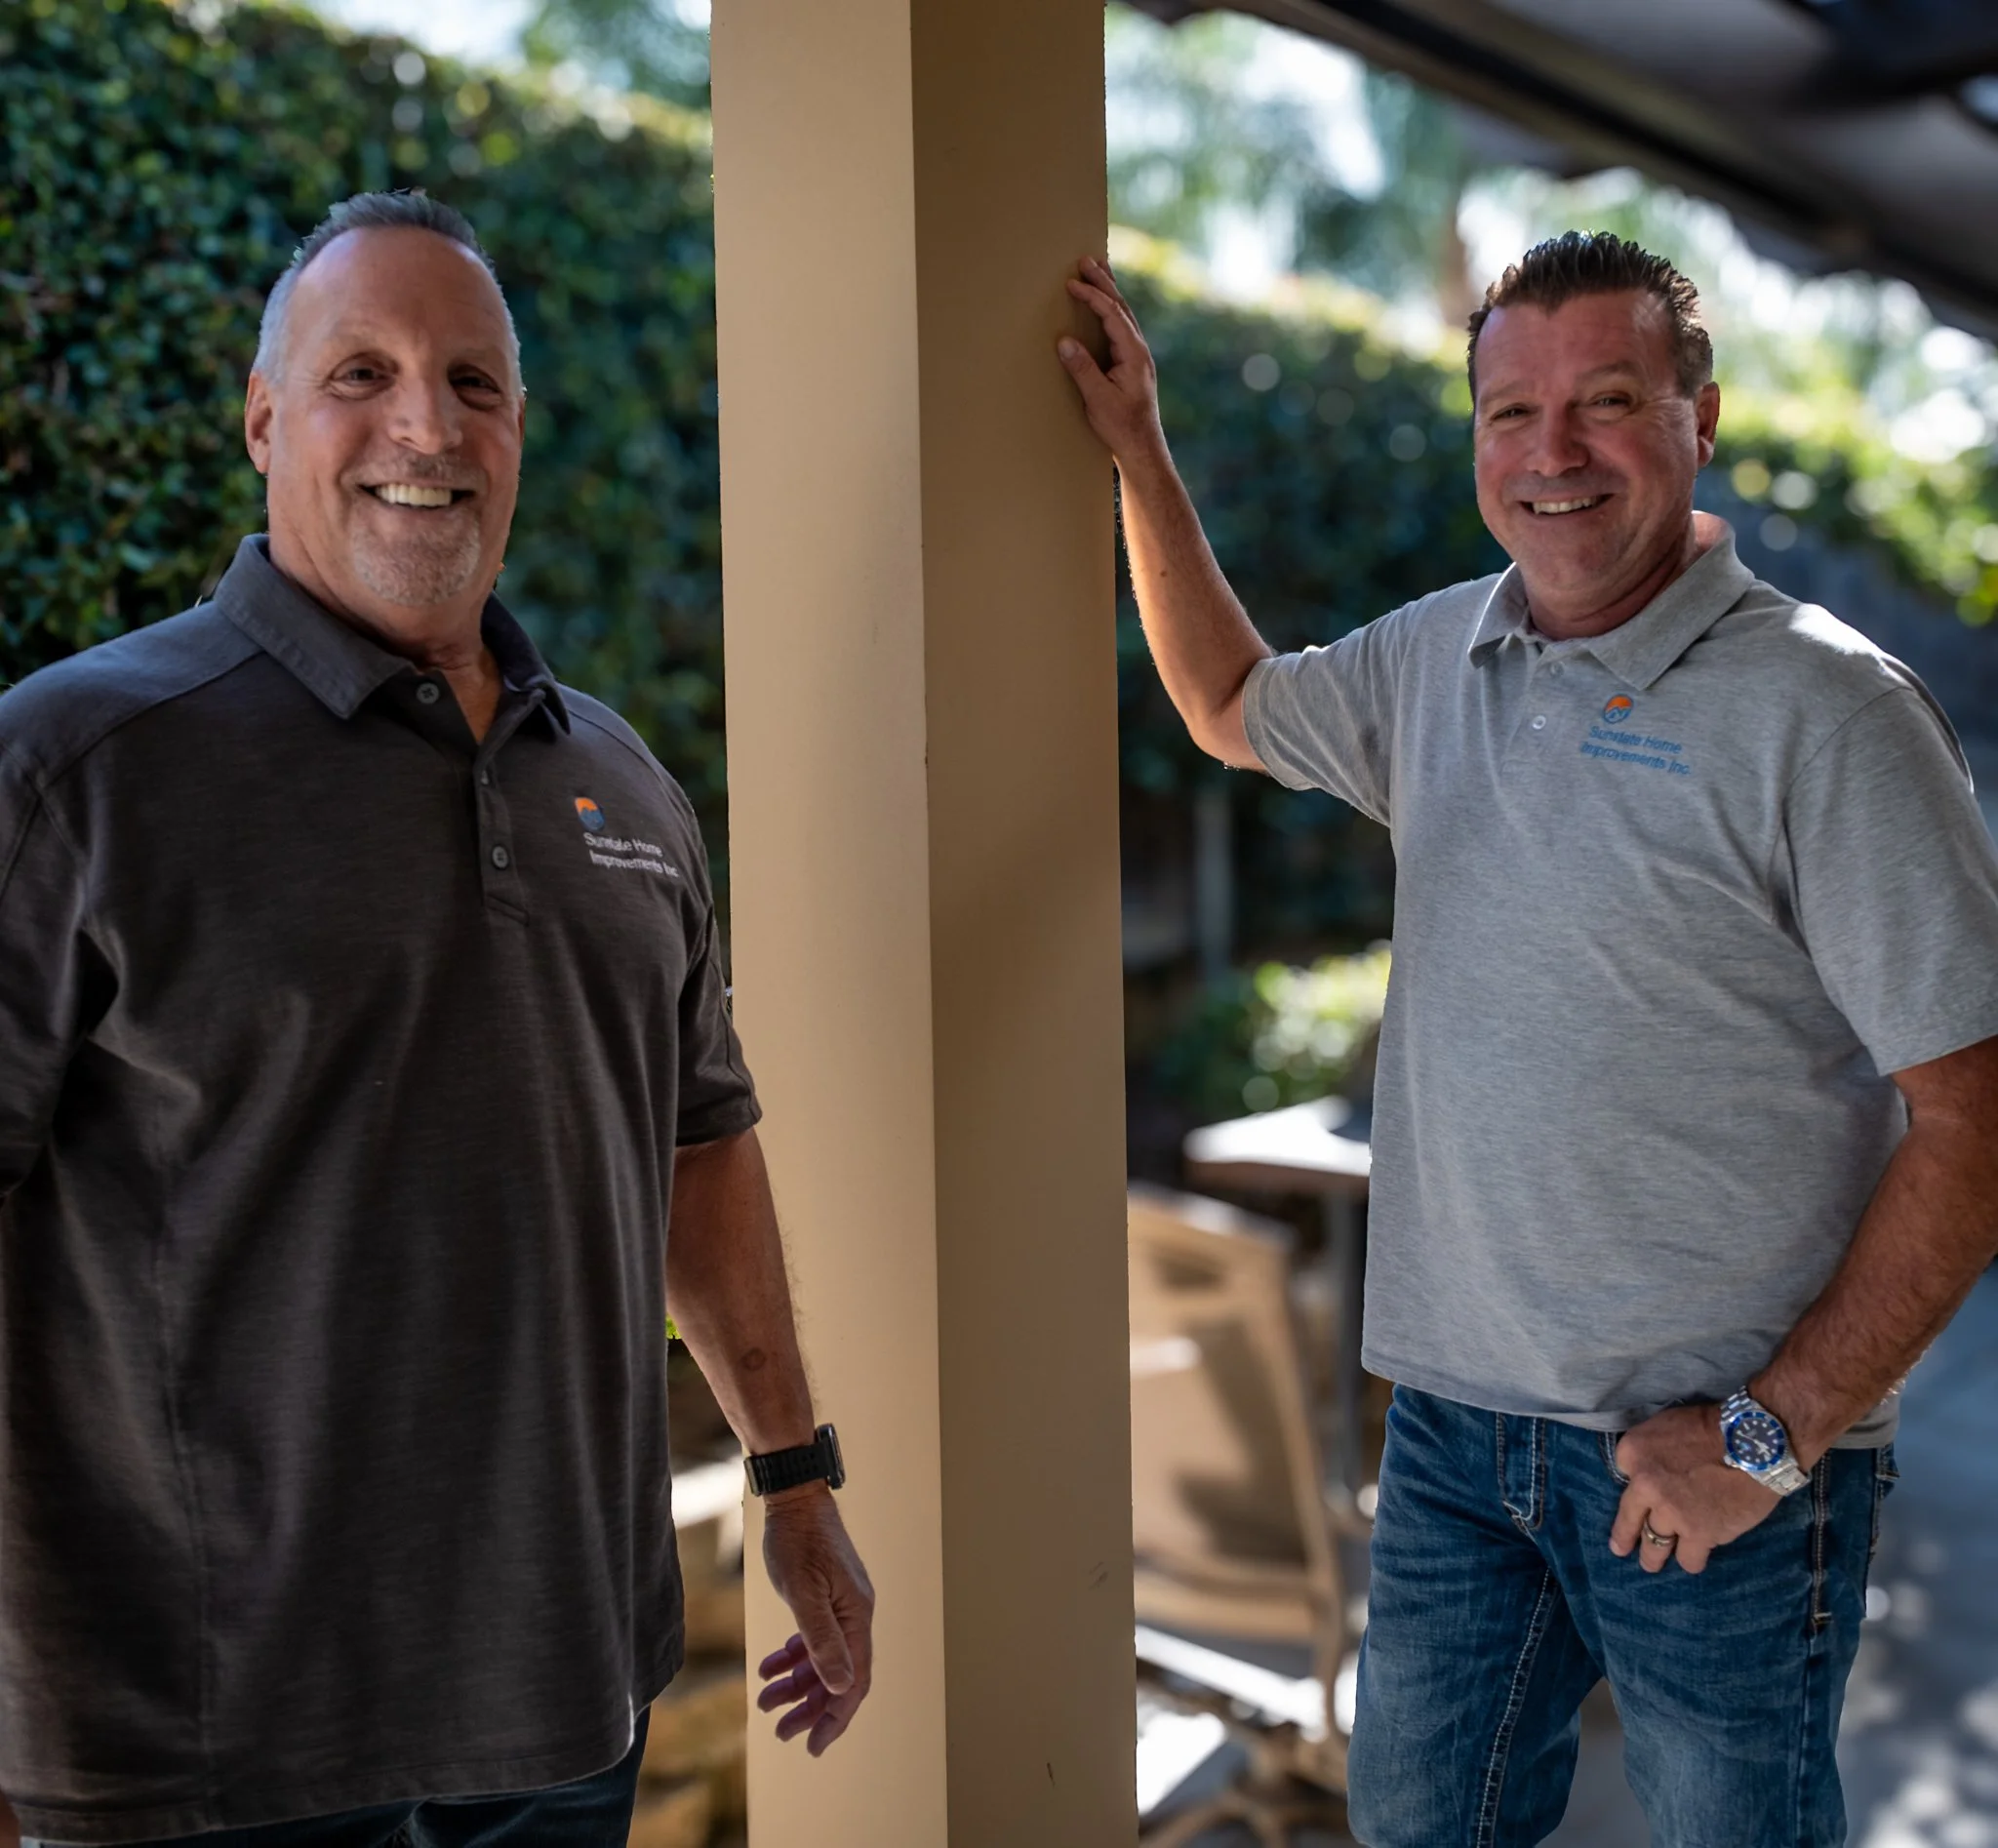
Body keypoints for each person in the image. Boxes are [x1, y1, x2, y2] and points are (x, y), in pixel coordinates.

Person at [1059, 231, 1998, 1845]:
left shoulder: (1832, 713)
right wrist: (1138, 447)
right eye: (1512, 412)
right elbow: (1228, 704)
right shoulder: (1438, 657)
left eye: (1608, 402)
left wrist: (1770, 1438)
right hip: (1448, 1445)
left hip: (1716, 1468)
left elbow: (1975, 1122)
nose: (1552, 453)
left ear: (1703, 418)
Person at [0, 191, 872, 1848]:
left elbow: (700, 1143)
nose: (428, 423)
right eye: (363, 374)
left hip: (564, 1706)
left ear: (521, 430)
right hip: (201, 1747)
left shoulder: (623, 787)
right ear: (264, 417)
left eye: (475, 383)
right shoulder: (74, 769)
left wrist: (796, 1479)